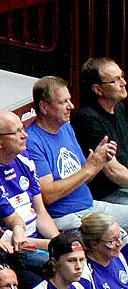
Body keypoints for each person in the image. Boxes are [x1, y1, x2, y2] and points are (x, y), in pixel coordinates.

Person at [26, 76, 128, 229]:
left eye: (70, 100)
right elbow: (47, 195)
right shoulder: (32, 141)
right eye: (63, 102)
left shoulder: (66, 128)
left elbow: (83, 177)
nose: (71, 106)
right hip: (67, 217)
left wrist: (99, 162)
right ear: (44, 107)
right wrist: (88, 168)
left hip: (90, 206)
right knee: (114, 235)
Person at [75, 58, 128, 203]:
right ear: (98, 89)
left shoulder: (118, 108)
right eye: (115, 80)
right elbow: (113, 171)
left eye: (122, 77)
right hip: (107, 193)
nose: (123, 83)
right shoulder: (88, 119)